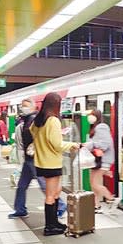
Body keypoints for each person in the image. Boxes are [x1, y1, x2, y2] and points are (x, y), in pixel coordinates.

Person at [30, 92, 79, 236]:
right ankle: (50, 227)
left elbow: (36, 135)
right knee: (51, 195)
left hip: (42, 161)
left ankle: (55, 222)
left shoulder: (38, 120)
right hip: (51, 162)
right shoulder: (53, 120)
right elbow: (57, 144)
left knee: (57, 192)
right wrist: (72, 145)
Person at [10, 98, 67, 219]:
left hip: (36, 158)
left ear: (34, 106)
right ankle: (20, 209)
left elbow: (46, 140)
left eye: (25, 105)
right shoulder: (29, 119)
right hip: (29, 158)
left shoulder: (34, 119)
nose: (22, 108)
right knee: (22, 185)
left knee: (44, 185)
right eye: (22, 105)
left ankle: (61, 206)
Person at [83, 109, 119, 213]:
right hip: (97, 160)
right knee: (93, 183)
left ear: (97, 116)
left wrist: (90, 145)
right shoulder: (95, 127)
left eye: (92, 115)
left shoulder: (101, 127)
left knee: (95, 184)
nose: (89, 117)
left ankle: (111, 198)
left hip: (103, 160)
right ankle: (96, 205)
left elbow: (105, 144)